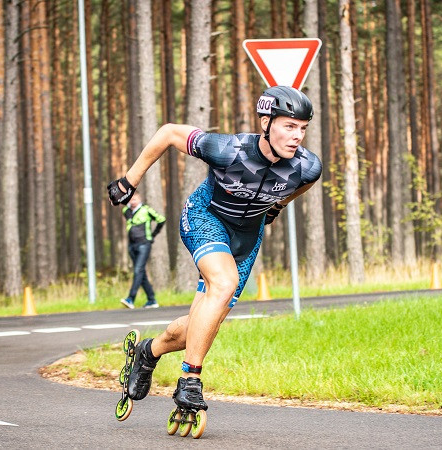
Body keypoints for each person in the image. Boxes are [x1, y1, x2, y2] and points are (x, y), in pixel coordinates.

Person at [107, 86, 322, 414]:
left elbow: (300, 186)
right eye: (289, 126)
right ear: (266, 122)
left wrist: (277, 207)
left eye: (303, 128)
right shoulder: (228, 149)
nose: (298, 136)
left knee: (202, 323)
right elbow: (167, 133)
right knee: (223, 284)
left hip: (246, 240)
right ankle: (190, 380)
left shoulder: (307, 167)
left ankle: (148, 352)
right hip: (204, 218)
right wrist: (129, 181)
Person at [119, 192, 166, 309]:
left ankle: (130, 298)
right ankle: (152, 300)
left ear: (139, 199)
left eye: (135, 199)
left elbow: (161, 219)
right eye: (131, 199)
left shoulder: (146, 209)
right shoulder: (126, 211)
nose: (133, 201)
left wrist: (153, 235)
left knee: (138, 270)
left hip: (144, 244)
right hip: (132, 245)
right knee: (141, 273)